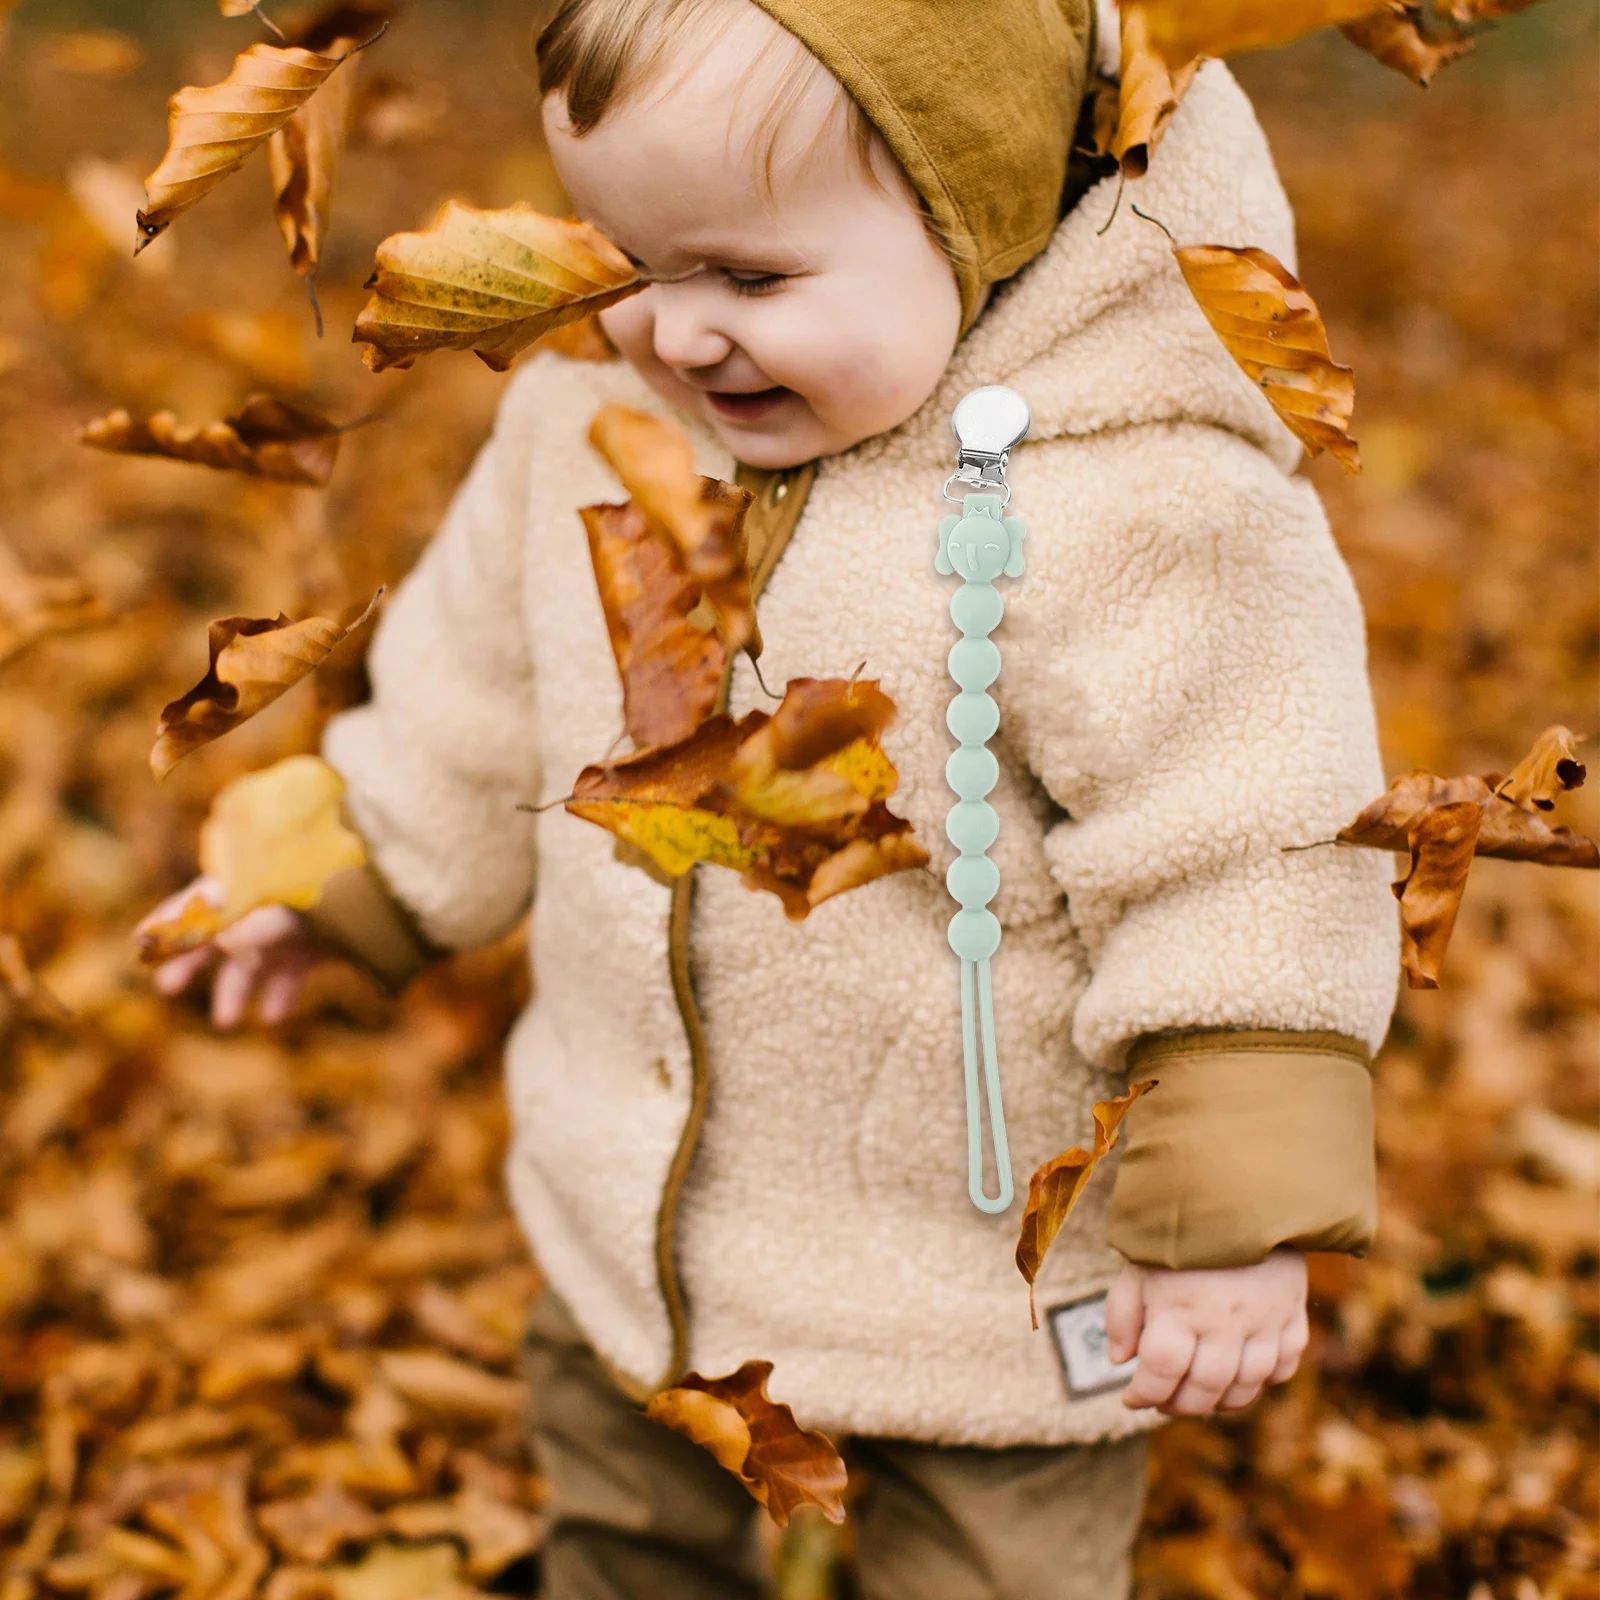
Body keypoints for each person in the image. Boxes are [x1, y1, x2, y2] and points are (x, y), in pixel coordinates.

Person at [141, 0, 1400, 1594]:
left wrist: (1231, 1205)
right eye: (631, 260)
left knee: (993, 1575)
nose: (679, 333)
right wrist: (342, 879)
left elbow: (1249, 851)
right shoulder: (583, 430)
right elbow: (470, 698)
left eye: (750, 277)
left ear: (980, 216)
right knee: (626, 1539)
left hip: (984, 1272)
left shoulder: (1138, 504)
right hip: (646, 1222)